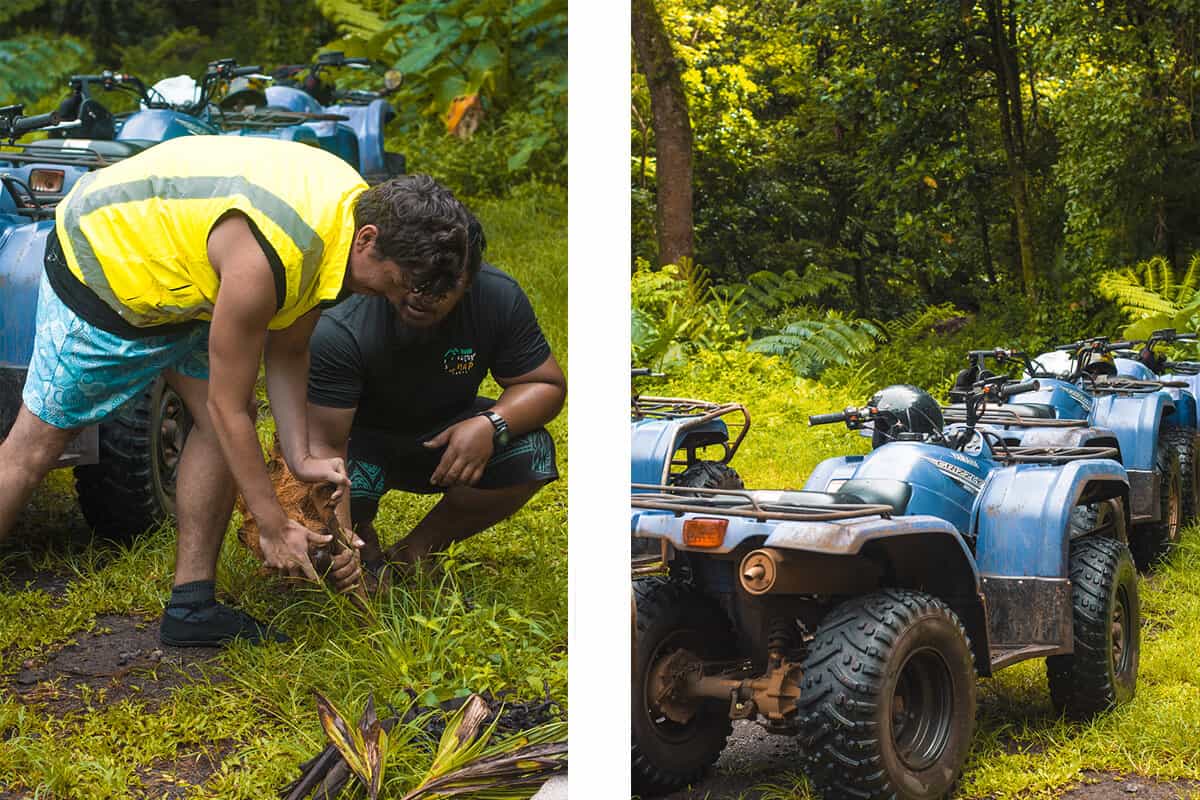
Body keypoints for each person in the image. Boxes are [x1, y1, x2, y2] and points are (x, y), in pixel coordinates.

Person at [0, 135, 476, 646]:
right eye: (395, 282)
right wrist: (272, 524)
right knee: (36, 447)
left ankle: (191, 608)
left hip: (187, 272)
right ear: (368, 239)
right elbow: (226, 409)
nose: (393, 298)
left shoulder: (340, 225)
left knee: (224, 417)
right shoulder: (267, 258)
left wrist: (301, 457)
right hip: (108, 258)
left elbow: (289, 349)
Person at [306, 217, 565, 574]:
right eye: (418, 277)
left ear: (470, 280)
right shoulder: (343, 324)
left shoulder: (497, 296)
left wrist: (491, 424)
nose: (426, 294)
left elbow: (546, 384)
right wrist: (345, 545)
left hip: (442, 434)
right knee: (336, 487)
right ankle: (363, 545)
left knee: (532, 453)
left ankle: (415, 552)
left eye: (447, 283)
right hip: (355, 441)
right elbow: (325, 447)